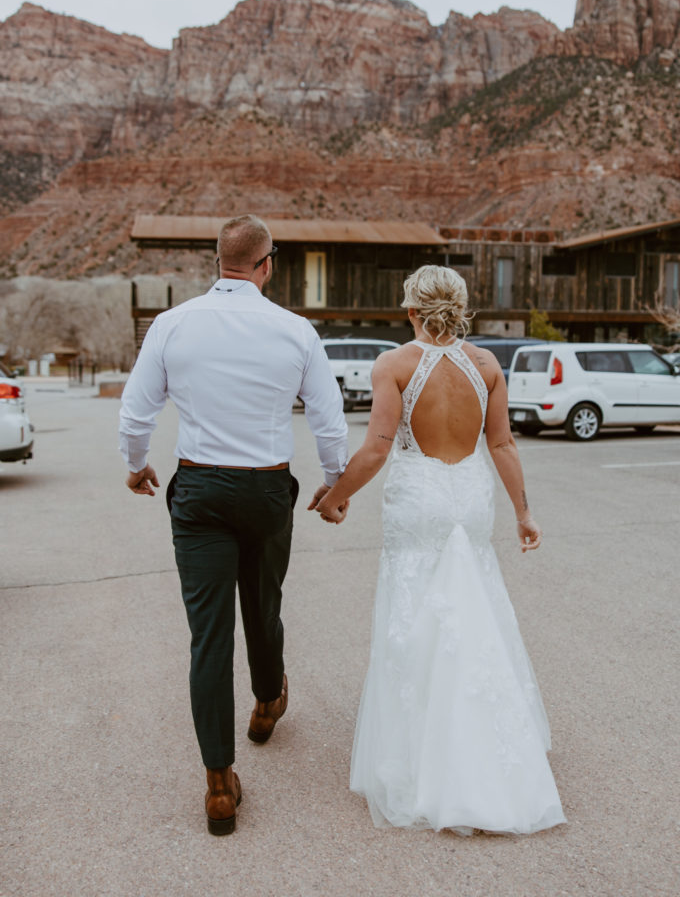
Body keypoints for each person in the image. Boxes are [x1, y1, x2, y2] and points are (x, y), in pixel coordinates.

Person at [313, 265, 566, 834]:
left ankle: (420, 752)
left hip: (420, 500)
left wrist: (335, 495)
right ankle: (488, 741)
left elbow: (379, 448)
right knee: (474, 605)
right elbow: (500, 442)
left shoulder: (395, 364)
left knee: (414, 614)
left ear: (410, 310)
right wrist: (523, 513)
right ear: (460, 306)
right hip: (470, 498)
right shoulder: (486, 365)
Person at [119, 215, 348, 835]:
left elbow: (136, 411)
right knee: (263, 602)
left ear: (215, 261)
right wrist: (335, 479)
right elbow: (328, 418)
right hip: (267, 487)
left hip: (198, 489)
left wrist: (137, 466)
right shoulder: (296, 330)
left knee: (208, 634)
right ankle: (268, 701)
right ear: (267, 264)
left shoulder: (172, 325)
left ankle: (219, 784)